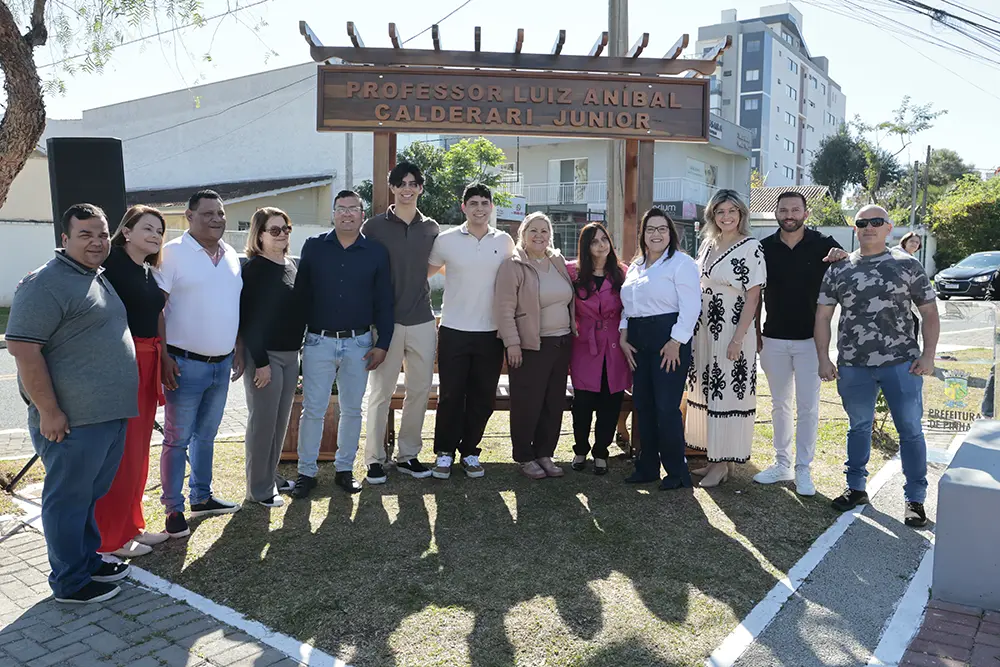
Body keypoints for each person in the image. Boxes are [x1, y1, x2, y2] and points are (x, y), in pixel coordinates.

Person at [7, 204, 137, 603]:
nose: (96, 242)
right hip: (74, 421)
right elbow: (23, 349)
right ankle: (69, 582)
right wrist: (49, 411)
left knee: (88, 494)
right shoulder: (45, 283)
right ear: (64, 239)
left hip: (107, 415)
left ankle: (86, 560)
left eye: (101, 234)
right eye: (85, 235)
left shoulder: (94, 276)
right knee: (67, 499)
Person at [816, 205, 940, 528]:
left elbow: (928, 311)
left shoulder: (907, 265)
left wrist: (928, 355)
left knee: (910, 431)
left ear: (889, 227)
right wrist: (823, 358)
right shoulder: (838, 269)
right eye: (862, 222)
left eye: (876, 222)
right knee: (858, 427)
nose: (868, 227)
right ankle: (856, 487)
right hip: (854, 365)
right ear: (855, 229)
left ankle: (915, 499)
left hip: (901, 364)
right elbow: (823, 316)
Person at [292, 190, 393, 498]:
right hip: (318, 341)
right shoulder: (313, 248)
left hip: (359, 343)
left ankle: (344, 470)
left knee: (352, 410)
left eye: (353, 209)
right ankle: (306, 472)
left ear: (362, 215)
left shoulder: (376, 252)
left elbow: (384, 301)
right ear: (332, 214)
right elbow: (301, 296)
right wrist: (296, 342)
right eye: (341, 209)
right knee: (313, 409)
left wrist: (383, 342)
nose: (347, 214)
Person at [156, 190, 244, 539]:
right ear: (189, 217)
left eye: (220, 213)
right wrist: (163, 356)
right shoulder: (172, 254)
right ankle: (173, 508)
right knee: (177, 440)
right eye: (207, 213)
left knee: (206, 436)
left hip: (221, 364)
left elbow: (231, 305)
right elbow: (158, 311)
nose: (217, 219)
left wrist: (237, 345)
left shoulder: (232, 255)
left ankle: (202, 496)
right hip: (184, 365)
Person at [753, 192, 846, 496]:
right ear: (776, 213)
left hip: (811, 342)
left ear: (806, 213)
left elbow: (847, 265)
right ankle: (782, 464)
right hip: (773, 339)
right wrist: (755, 332)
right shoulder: (763, 248)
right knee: (780, 405)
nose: (789, 214)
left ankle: (803, 470)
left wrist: (842, 255)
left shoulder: (823, 244)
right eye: (783, 210)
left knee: (808, 408)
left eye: (795, 209)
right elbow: (754, 294)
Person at [93, 205, 170, 559]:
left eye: (159, 231)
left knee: (139, 451)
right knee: (121, 454)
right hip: (125, 362)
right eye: (148, 228)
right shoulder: (110, 268)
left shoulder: (145, 270)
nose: (155, 235)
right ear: (126, 231)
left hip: (149, 361)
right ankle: (112, 537)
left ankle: (132, 524)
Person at [427, 183, 514, 480]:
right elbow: (426, 271)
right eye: (473, 203)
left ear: (491, 207)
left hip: (491, 333)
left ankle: (470, 452)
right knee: (451, 395)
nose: (479, 208)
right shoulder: (446, 240)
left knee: (482, 396)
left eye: (484, 203)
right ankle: (444, 452)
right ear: (463, 207)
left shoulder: (504, 242)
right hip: (453, 330)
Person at [362, 162, 439, 484]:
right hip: (386, 322)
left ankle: (408, 455)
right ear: (392, 187)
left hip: (422, 319)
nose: (407, 188)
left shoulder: (431, 228)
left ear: (420, 188)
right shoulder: (373, 227)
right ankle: (374, 459)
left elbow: (434, 266)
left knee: (420, 390)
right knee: (381, 392)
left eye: (413, 183)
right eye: (401, 183)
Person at [686, 190, 766, 488]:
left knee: (726, 393)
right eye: (720, 211)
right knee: (708, 390)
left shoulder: (751, 247)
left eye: (732, 210)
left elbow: (753, 296)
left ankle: (722, 464)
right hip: (705, 329)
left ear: (742, 214)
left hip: (732, 330)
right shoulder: (708, 243)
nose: (726, 216)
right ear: (712, 215)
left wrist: (738, 338)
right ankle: (713, 458)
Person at [619, 209, 701, 490]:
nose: (656, 234)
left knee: (666, 408)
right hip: (638, 345)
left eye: (662, 229)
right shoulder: (635, 266)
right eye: (650, 229)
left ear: (671, 233)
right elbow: (628, 306)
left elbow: (691, 307)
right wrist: (622, 335)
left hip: (669, 344)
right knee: (644, 406)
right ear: (642, 234)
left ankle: (677, 472)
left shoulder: (682, 264)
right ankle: (647, 467)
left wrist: (675, 342)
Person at [495, 212, 576, 479]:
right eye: (534, 231)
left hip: (561, 342)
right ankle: (524, 456)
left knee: (553, 402)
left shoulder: (557, 261)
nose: (539, 236)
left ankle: (545, 453)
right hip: (531, 346)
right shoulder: (513, 264)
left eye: (544, 231)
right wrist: (513, 344)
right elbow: (504, 309)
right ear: (523, 234)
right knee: (527, 403)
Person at [239, 208, 305, 507]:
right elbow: (249, 321)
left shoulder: (291, 265)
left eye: (286, 228)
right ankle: (258, 489)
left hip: (291, 356)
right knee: (262, 423)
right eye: (274, 230)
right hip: (265, 359)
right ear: (260, 235)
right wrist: (261, 363)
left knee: (280, 422)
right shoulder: (254, 269)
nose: (282, 235)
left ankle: (271, 476)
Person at [566, 222, 631, 476]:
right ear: (585, 246)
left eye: (604, 239)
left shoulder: (622, 273)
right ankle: (580, 449)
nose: (601, 245)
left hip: (615, 345)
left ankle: (601, 452)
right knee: (582, 403)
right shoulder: (572, 272)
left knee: (610, 401)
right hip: (585, 344)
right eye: (594, 241)